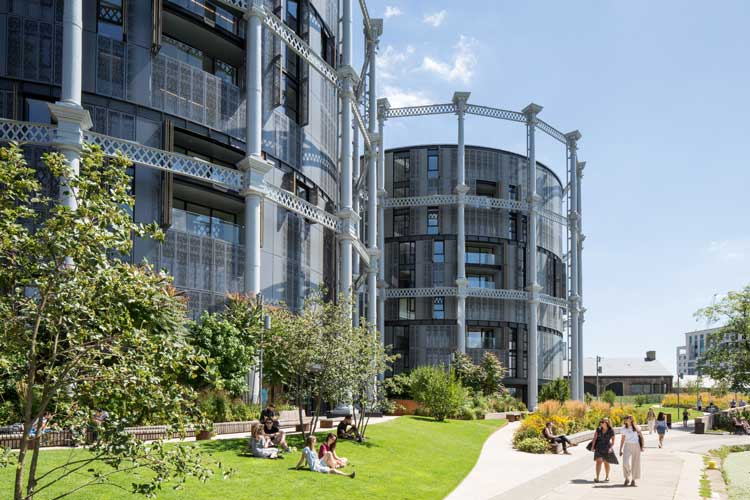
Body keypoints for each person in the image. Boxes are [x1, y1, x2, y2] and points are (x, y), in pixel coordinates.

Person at [619, 415, 644, 487]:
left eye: (627, 418)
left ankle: (633, 480)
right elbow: (622, 439)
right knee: (625, 462)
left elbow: (641, 437)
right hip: (627, 445)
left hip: (636, 445)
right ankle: (627, 477)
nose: (625, 419)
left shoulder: (637, 427)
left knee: (635, 463)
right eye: (625, 418)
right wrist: (620, 449)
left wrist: (642, 447)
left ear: (631, 419)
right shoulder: (623, 429)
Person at [589, 418, 615, 483]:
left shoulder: (611, 430)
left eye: (603, 422)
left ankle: (607, 476)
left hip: (607, 447)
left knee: (606, 462)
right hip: (599, 447)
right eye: (601, 421)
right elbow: (594, 438)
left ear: (607, 423)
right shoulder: (598, 429)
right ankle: (597, 477)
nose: (601, 423)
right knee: (598, 462)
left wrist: (611, 448)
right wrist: (592, 447)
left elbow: (613, 441)